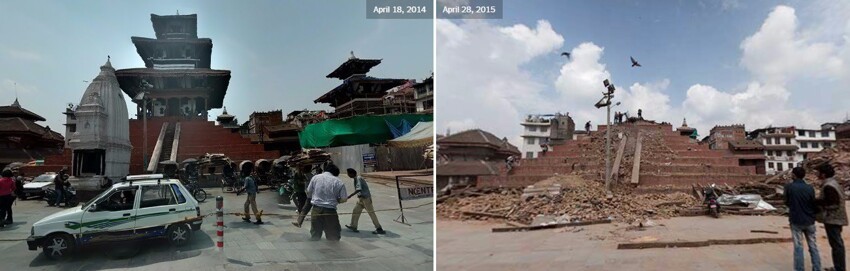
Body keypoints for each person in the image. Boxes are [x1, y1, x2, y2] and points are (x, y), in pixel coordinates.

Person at [785, 167, 821, 271]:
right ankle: (817, 267)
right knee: (813, 246)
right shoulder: (810, 188)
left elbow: (786, 202)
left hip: (796, 220)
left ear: (793, 175)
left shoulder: (789, 187)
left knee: (798, 247)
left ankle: (800, 269)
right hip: (809, 220)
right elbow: (813, 202)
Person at [815, 163, 846, 271]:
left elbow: (833, 204)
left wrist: (817, 203)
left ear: (823, 174)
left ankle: (840, 268)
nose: (816, 174)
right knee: (836, 244)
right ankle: (838, 267)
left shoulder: (829, 186)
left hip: (833, 218)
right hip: (837, 218)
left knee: (837, 245)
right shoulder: (834, 183)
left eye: (818, 172)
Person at [306, 164, 347, 241]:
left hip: (316, 210)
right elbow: (344, 199)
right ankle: (334, 250)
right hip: (330, 211)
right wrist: (338, 200)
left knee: (315, 234)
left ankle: (313, 250)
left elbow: (308, 192)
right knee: (333, 235)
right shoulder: (338, 182)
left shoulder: (315, 178)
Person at [345, 168, 385, 235]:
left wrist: (350, 195)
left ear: (351, 173)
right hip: (361, 199)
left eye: (348, 173)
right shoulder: (356, 179)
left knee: (371, 213)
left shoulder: (358, 178)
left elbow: (359, 189)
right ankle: (353, 226)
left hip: (366, 199)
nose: (348, 175)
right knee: (355, 211)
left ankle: (379, 228)